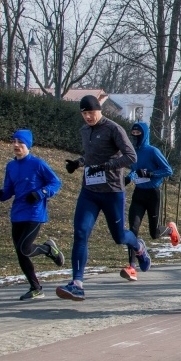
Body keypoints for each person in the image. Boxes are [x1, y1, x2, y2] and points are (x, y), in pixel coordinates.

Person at [58, 95, 150, 301]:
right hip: (89, 191)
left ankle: (139, 247)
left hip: (112, 191)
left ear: (100, 110)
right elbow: (92, 156)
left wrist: (106, 167)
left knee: (119, 237)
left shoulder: (114, 129)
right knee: (80, 233)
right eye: (84, 114)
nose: (88, 117)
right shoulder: (84, 130)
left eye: (91, 113)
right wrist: (78, 163)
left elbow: (131, 157)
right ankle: (77, 284)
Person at [0, 129, 64, 300]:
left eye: (20, 142)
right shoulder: (11, 166)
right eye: (14, 141)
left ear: (28, 145)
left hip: (34, 212)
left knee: (24, 249)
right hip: (17, 214)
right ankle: (36, 288)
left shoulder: (38, 164)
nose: (16, 145)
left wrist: (40, 193)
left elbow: (55, 182)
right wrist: (1, 195)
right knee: (21, 253)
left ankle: (48, 249)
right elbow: (9, 189)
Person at [120, 122, 180, 281]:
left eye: (138, 133)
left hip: (153, 194)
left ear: (144, 134)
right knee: (133, 230)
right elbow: (134, 170)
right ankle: (132, 267)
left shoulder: (153, 151)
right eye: (133, 133)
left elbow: (168, 170)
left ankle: (170, 230)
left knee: (154, 233)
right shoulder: (132, 152)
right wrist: (128, 178)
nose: (135, 136)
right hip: (138, 194)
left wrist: (151, 173)